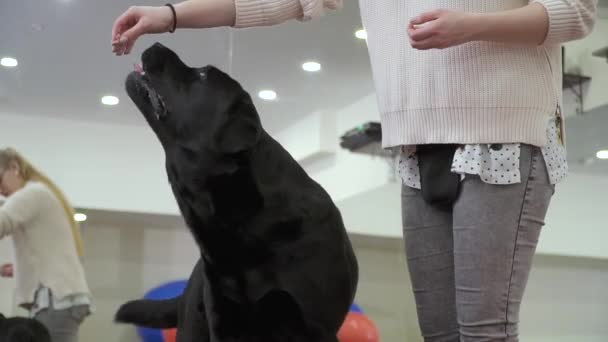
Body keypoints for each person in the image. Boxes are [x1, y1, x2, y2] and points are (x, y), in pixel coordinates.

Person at [110, 1, 597, 341]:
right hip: (416, 150)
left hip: (505, 134)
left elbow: (576, 11)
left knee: (484, 332)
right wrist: (170, 15)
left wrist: (468, 25)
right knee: (442, 333)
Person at [0, 147, 93, 342]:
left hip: (55, 300)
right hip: (58, 299)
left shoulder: (32, 192)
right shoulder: (40, 193)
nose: (0, 190)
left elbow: (3, 221)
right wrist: (18, 269)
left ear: (14, 168)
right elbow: (44, 251)